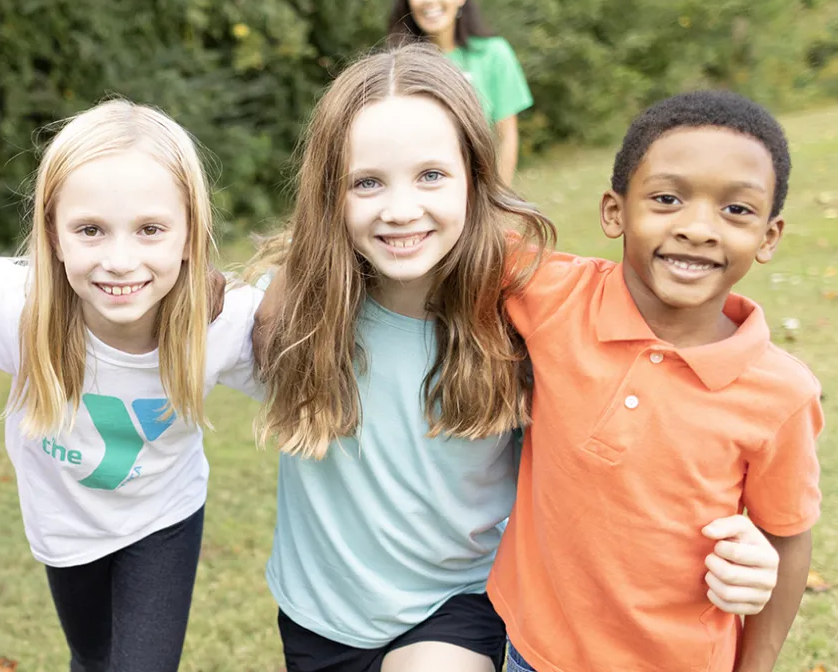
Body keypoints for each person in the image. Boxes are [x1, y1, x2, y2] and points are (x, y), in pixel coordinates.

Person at [250, 45, 791, 672]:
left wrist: (749, 547)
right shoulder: (295, 311)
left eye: (431, 176)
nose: (401, 209)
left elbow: (668, 370)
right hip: (319, 613)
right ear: (328, 194)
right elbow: (167, 327)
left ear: (476, 178)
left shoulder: (529, 301)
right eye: (367, 182)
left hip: (459, 604)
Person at [0, 100, 262, 672]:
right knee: (89, 659)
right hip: (63, 526)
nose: (119, 260)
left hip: (164, 517)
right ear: (54, 236)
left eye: (151, 230)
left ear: (191, 234)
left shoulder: (226, 321)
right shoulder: (13, 305)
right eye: (90, 230)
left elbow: (334, 335)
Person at [489, 89, 820, 672]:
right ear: (614, 212)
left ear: (769, 237)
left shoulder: (781, 395)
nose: (697, 228)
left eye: (736, 210)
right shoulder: (553, 295)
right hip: (530, 651)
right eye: (666, 198)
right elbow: (453, 228)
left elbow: (786, 536)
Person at [387, 0, 531, 187]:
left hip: (480, 195)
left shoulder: (493, 54)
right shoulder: (398, 64)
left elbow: (506, 138)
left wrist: (498, 203)